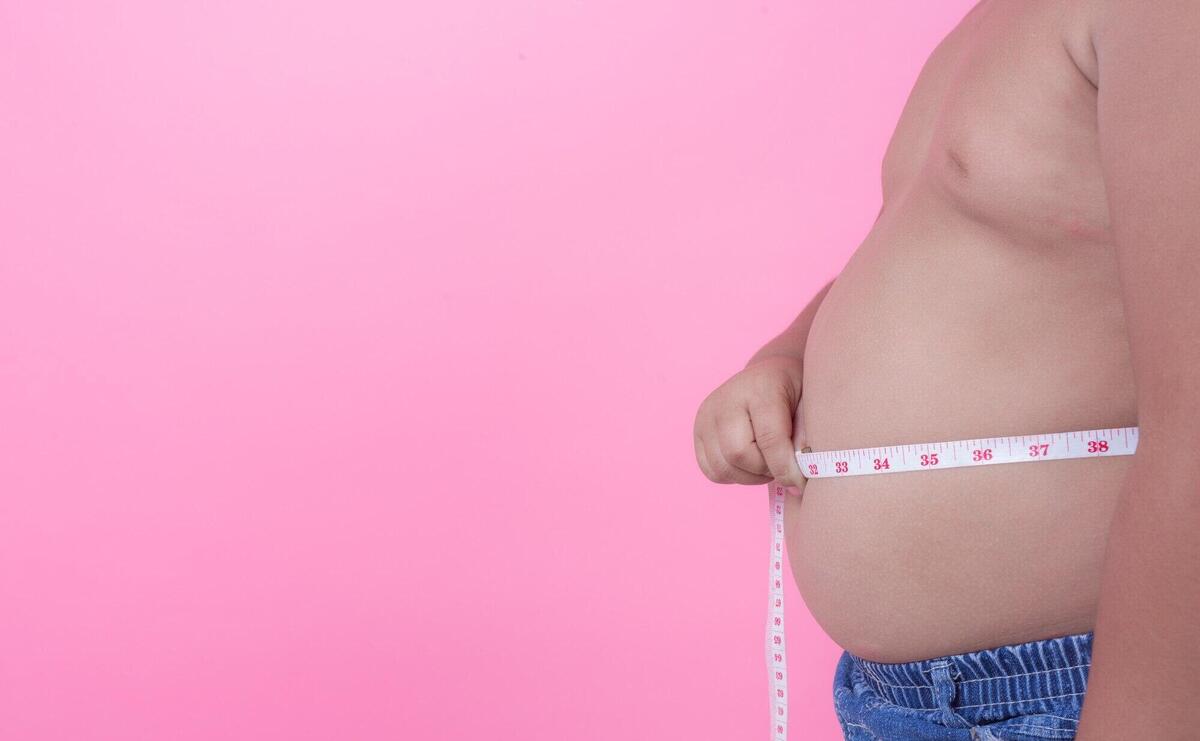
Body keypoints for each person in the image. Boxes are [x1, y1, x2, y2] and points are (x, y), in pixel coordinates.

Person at [692, 1, 1200, 738]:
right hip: (896, 700)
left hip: (1081, 694)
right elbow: (930, 247)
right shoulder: (988, 19)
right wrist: (789, 354)